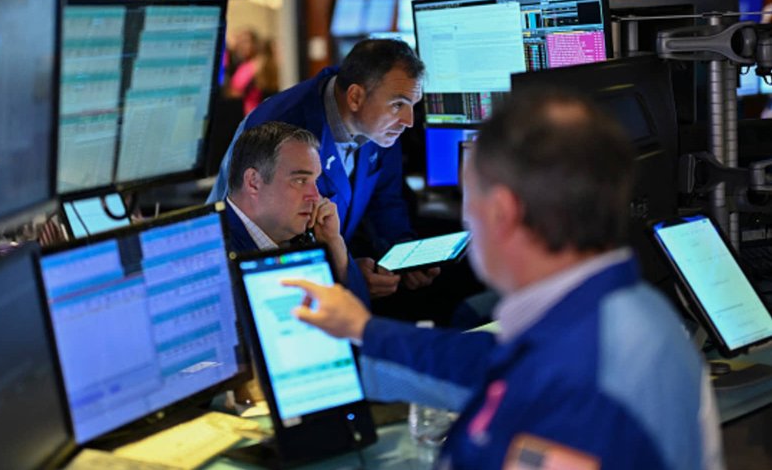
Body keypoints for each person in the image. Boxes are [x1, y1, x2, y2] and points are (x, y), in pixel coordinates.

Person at [282, 90, 723, 469]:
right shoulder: (629, 313)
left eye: (468, 198)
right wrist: (362, 331)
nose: (466, 217)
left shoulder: (575, 377)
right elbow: (490, 362)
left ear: (503, 212)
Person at [209, 38, 438, 299]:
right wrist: (344, 271)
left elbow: (385, 200)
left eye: (413, 105)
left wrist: (403, 255)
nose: (409, 121)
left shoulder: (381, 127)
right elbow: (259, 233)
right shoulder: (283, 127)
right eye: (398, 104)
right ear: (355, 97)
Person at [224, 121, 369, 306]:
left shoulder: (303, 239)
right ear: (253, 182)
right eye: (300, 180)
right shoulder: (216, 256)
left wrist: (334, 245)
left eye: (315, 181)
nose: (315, 196)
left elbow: (357, 319)